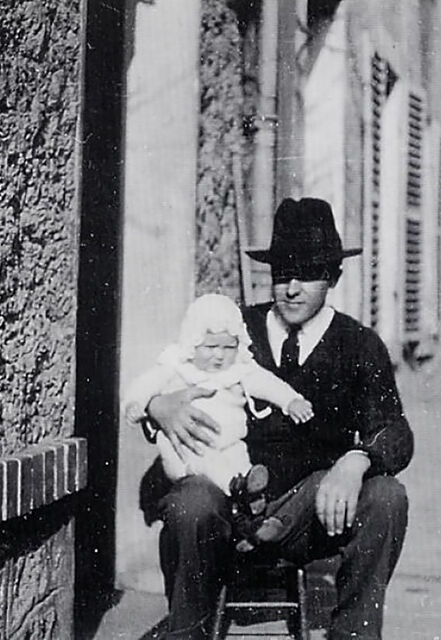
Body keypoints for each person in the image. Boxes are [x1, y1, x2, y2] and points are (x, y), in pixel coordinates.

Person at [144, 197, 414, 640]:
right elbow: (170, 370)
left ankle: (354, 635)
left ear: (332, 276)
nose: (291, 288)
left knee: (386, 497)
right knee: (189, 502)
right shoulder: (235, 329)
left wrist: (357, 459)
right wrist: (158, 406)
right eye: (282, 273)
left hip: (312, 517)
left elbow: (396, 432)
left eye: (307, 274)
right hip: (226, 505)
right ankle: (185, 633)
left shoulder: (359, 344)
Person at [125, 293, 314, 549]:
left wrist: (291, 401)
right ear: (192, 343)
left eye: (228, 347)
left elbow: (268, 383)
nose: (220, 356)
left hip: (230, 446)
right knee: (214, 471)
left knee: (241, 468)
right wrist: (137, 403)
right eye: (211, 347)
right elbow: (146, 384)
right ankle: (243, 492)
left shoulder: (238, 369)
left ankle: (251, 525)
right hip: (189, 448)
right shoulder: (177, 366)